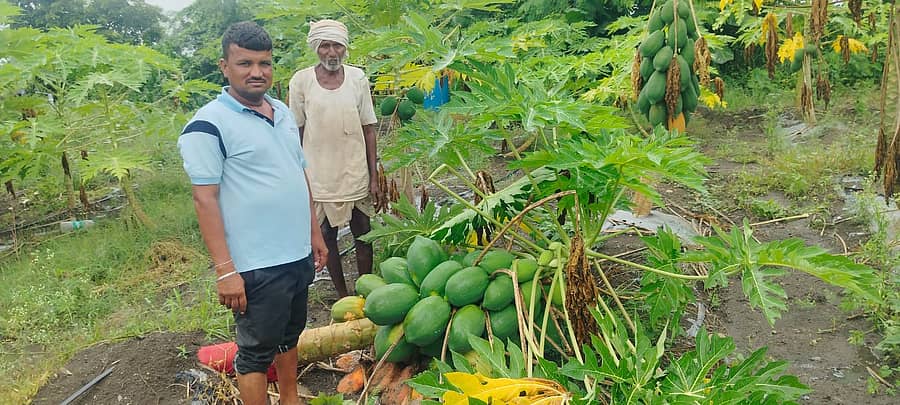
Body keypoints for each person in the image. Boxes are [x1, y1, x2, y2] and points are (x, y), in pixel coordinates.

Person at [177, 21, 327, 405]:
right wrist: (226, 271)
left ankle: (291, 398)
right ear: (224, 66)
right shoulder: (208, 125)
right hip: (257, 264)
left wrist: (314, 234)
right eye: (245, 63)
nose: (257, 72)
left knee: (290, 336)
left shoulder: (280, 111)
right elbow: (204, 200)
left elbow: (299, 175)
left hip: (295, 255)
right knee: (256, 353)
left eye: (265, 63)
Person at [288, 19, 382, 298]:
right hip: (319, 173)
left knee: (363, 232)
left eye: (337, 45)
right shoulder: (301, 81)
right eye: (325, 45)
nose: (332, 52)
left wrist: (374, 175)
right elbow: (297, 131)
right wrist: (299, 177)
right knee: (327, 236)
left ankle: (366, 292)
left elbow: (368, 128)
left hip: (354, 169)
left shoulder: (357, 79)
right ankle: (344, 297)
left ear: (345, 48)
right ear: (316, 48)